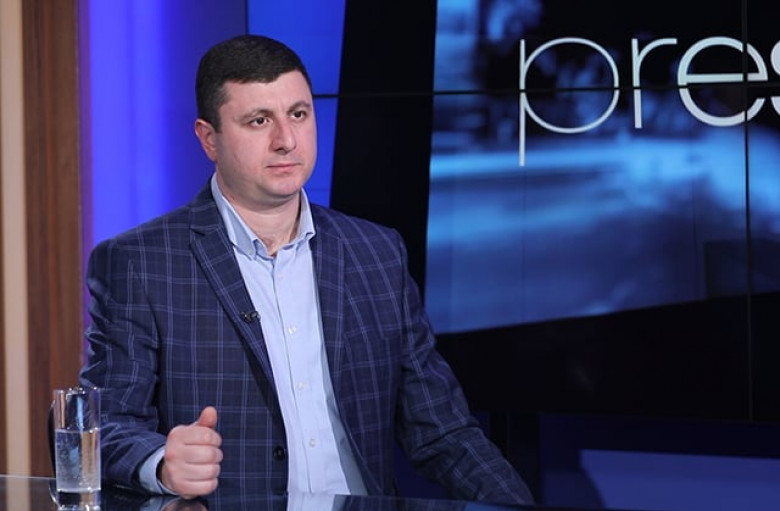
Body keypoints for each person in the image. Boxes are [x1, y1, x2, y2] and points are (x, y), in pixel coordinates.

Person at [78, 34, 534, 505]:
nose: (287, 141)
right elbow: (102, 424)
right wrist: (160, 463)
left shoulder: (378, 252)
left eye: (298, 114)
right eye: (259, 121)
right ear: (209, 139)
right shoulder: (140, 262)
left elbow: (443, 432)